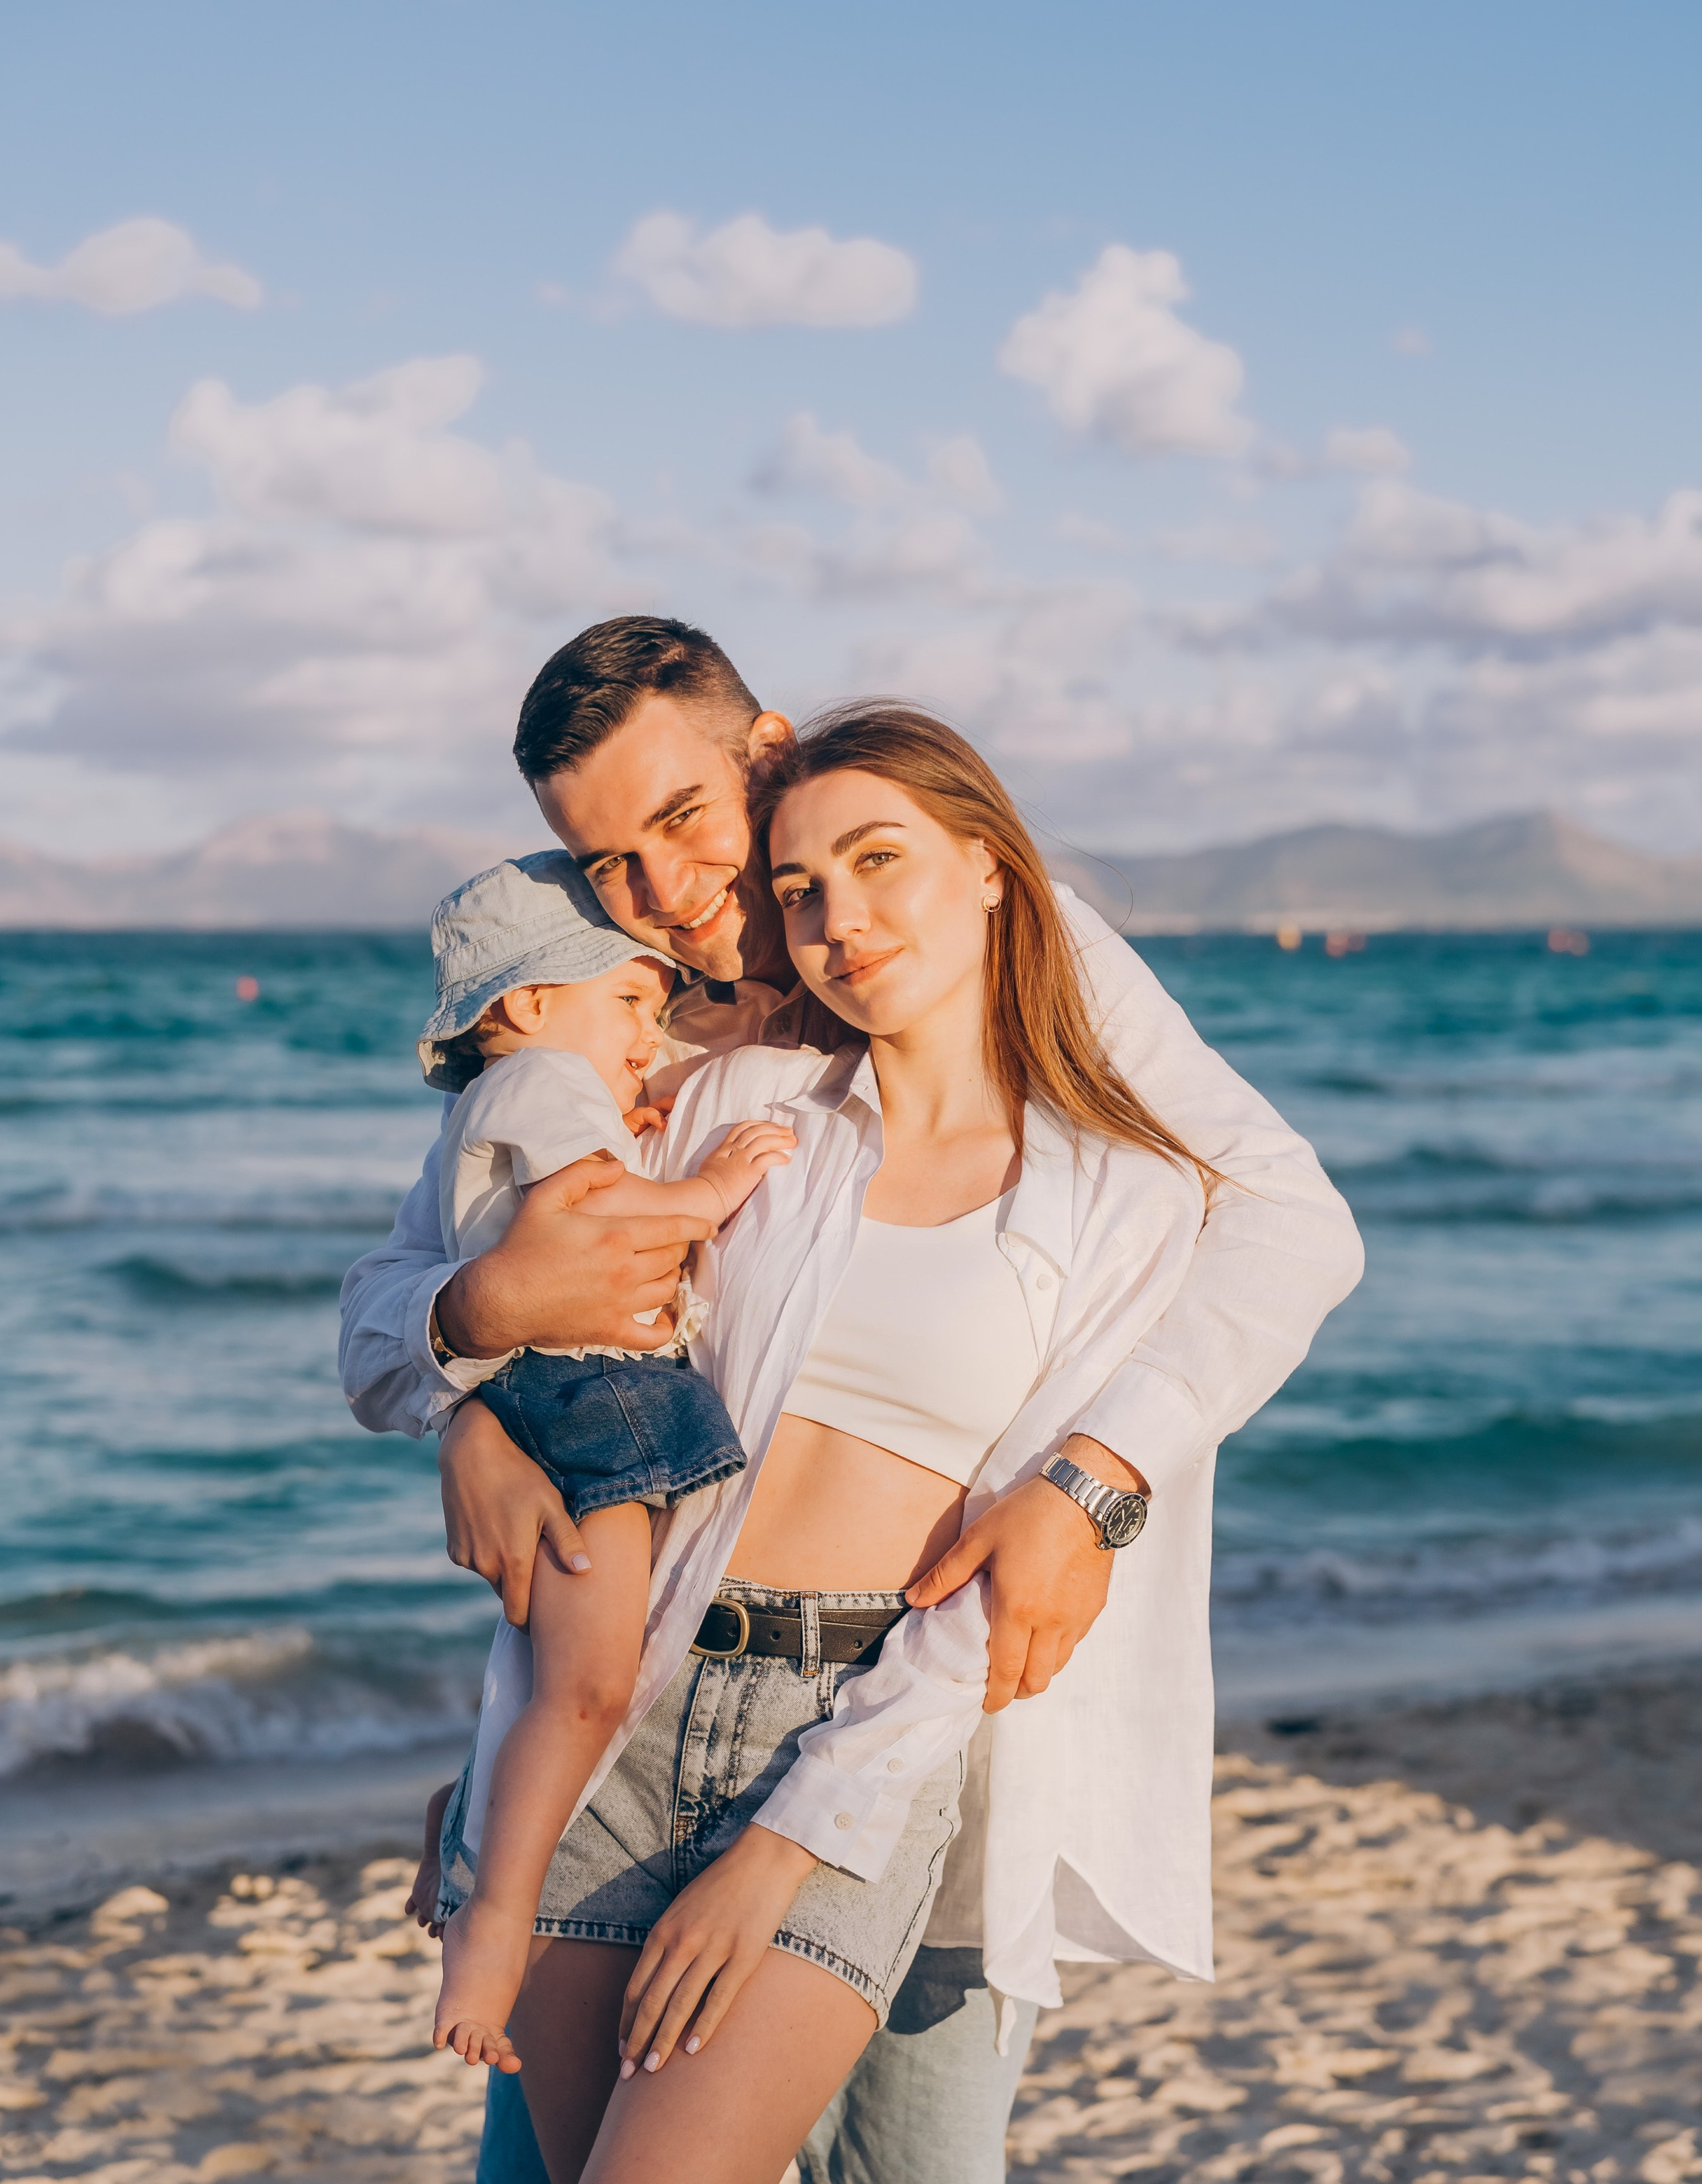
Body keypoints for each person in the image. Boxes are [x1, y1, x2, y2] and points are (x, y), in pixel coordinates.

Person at [340, 618, 1364, 2184]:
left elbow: (1287, 1218)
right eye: (607, 864)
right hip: (637, 1695)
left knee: (907, 2159)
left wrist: (1092, 1480)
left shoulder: (991, 960)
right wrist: (469, 1373)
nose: (671, 895)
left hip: (911, 1724)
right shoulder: (669, 1040)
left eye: (685, 822)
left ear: (767, 757)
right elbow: (462, 1287)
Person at [411, 849, 794, 2067]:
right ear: (523, 1008)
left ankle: (484, 1847)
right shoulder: (538, 1085)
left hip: (569, 1394)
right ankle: (495, 1909)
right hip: (587, 1396)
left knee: (573, 1679)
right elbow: (593, 1219)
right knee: (590, 1686)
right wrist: (707, 1188)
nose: (653, 1030)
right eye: (632, 1000)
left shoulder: (519, 1095)